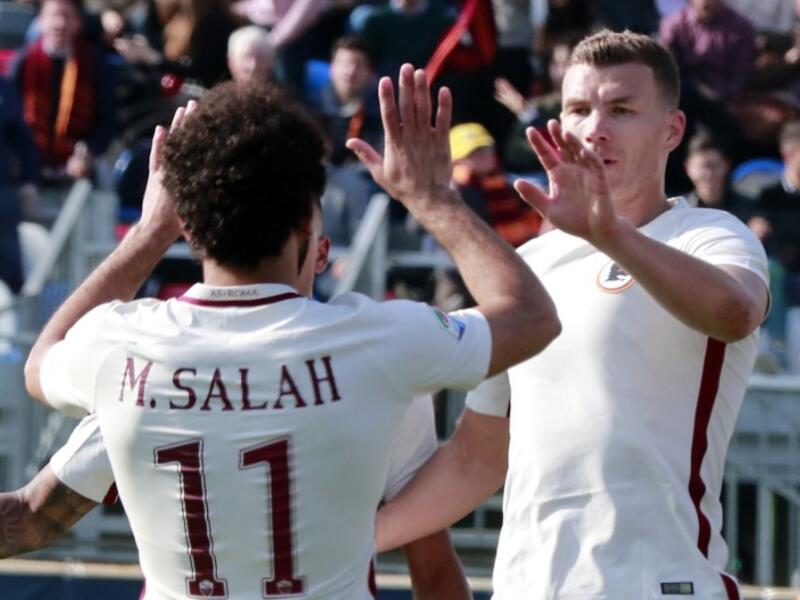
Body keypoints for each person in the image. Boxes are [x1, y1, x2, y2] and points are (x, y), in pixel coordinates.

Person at [23, 70, 559, 599]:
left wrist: (148, 233)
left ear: (189, 220)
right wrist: (433, 198)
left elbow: (41, 366)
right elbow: (532, 317)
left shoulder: (126, 351)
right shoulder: (378, 348)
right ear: (309, 231)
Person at [374, 30, 769, 599]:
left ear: (672, 132)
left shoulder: (707, 235)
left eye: (622, 109)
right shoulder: (530, 264)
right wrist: (356, 538)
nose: (595, 128)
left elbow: (735, 312)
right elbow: (474, 458)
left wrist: (611, 234)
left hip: (660, 584)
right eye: (579, 109)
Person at [0, 204, 472, 597]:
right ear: (315, 248)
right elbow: (433, 571)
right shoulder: (376, 370)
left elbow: (31, 519)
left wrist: (149, 232)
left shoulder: (148, 368)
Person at [10, 0, 116, 186]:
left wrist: (89, 153)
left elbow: (107, 120)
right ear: (41, 20)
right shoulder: (23, 62)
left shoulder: (94, 64)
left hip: (76, 170)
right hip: (27, 168)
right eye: (53, 16)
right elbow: (10, 118)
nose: (59, 24)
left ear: (78, 22)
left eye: (67, 16)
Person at [0, 77, 39, 294]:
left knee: (8, 265)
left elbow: (23, 141)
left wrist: (30, 181)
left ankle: (12, 316)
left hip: (2, 189)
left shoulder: (4, 87)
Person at [683, 131, 750, 218]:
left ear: (726, 165)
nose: (709, 174)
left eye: (714, 166)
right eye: (703, 167)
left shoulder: (750, 211)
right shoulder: (678, 211)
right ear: (688, 167)